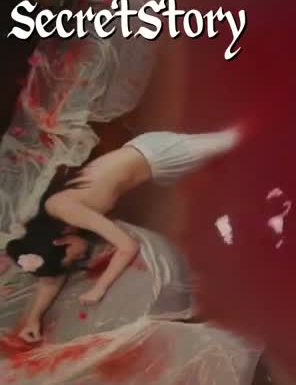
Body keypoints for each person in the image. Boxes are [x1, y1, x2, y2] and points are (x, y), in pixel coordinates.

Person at [4, 128, 239, 343]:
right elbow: (51, 280)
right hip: (150, 163)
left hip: (159, 154)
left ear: (60, 242)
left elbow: (128, 246)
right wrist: (33, 318)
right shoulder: (56, 222)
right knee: (229, 164)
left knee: (238, 139)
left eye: (72, 258)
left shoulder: (67, 211)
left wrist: (99, 288)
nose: (78, 258)